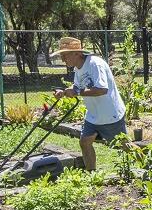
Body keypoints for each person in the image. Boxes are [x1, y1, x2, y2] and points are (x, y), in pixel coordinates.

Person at [51, 36, 126, 171]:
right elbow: (78, 87)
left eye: (65, 55)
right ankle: (92, 174)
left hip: (109, 114)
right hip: (94, 115)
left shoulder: (94, 64)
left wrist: (77, 92)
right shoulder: (77, 68)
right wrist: (63, 92)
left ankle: (149, 163)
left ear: (77, 53)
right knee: (84, 142)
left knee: (124, 146)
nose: (63, 59)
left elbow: (102, 89)